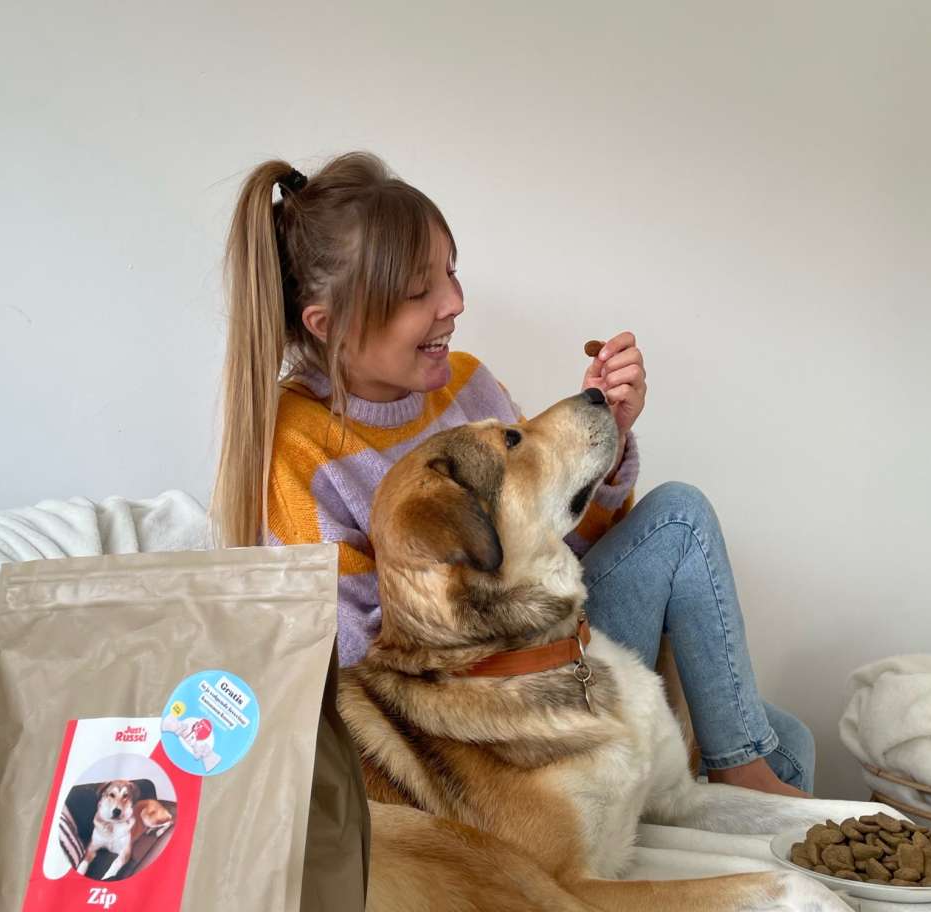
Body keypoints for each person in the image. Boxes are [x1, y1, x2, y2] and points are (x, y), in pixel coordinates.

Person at [210, 151, 815, 796]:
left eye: (451, 272)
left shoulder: (467, 385)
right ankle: (738, 766)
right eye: (419, 291)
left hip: (555, 635)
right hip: (481, 709)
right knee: (680, 519)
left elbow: (565, 549)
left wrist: (602, 441)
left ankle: (741, 762)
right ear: (330, 325)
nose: (455, 303)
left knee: (795, 742)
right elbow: (366, 673)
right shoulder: (297, 452)